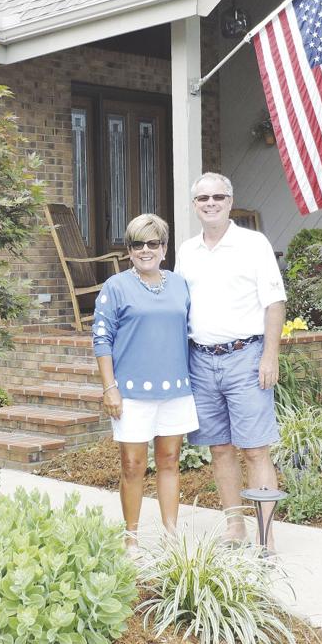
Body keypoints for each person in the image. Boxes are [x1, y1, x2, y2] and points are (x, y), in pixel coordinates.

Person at [175, 173, 286, 546]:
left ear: (230, 200)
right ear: (195, 205)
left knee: (255, 449)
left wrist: (270, 355)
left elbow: (275, 303)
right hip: (201, 361)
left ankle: (265, 536)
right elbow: (178, 307)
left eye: (218, 197)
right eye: (203, 198)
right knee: (219, 448)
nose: (210, 203)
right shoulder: (187, 251)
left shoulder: (253, 244)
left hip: (246, 357)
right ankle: (234, 527)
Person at [92, 213, 198, 547]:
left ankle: (171, 537)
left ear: (165, 248)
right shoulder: (116, 287)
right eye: (138, 244)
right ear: (129, 250)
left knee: (170, 462)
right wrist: (110, 388)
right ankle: (131, 539)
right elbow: (101, 338)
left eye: (153, 243)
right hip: (131, 393)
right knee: (133, 465)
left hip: (176, 390)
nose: (146, 250)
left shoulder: (180, 285)